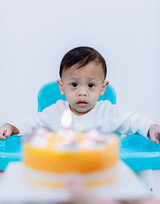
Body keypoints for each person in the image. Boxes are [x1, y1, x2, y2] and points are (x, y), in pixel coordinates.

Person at [0, 46, 160, 141]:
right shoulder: (55, 111)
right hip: (65, 174)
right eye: (74, 84)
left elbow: (133, 121)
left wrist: (151, 128)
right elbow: (31, 123)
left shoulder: (108, 112)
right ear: (61, 87)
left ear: (102, 88)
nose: (82, 92)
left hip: (98, 173)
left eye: (91, 85)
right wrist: (10, 127)